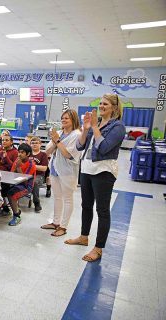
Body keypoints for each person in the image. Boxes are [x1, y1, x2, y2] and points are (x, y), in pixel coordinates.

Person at [65, 94, 126, 262]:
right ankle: (84, 237)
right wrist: (86, 129)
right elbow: (80, 145)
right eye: (100, 103)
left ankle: (98, 248)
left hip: (104, 171)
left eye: (105, 104)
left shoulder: (118, 126)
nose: (101, 106)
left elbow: (104, 147)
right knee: (86, 206)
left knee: (102, 210)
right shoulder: (95, 123)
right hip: (87, 168)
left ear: (114, 107)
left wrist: (95, 127)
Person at [41, 110, 81, 236]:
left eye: (67, 118)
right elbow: (47, 152)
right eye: (62, 118)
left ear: (73, 120)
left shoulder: (77, 135)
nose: (63, 120)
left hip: (67, 171)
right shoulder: (58, 133)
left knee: (67, 199)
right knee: (57, 197)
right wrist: (55, 141)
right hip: (54, 169)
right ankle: (55, 222)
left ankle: (63, 227)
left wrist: (57, 141)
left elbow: (68, 154)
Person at [5, 143, 36, 226]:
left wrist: (18, 167)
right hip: (16, 183)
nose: (19, 154)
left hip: (26, 186)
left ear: (28, 154)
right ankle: (6, 210)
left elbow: (25, 181)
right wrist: (16, 167)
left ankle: (17, 216)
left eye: (22, 152)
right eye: (19, 152)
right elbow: (12, 174)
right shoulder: (17, 161)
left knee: (12, 194)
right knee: (2, 189)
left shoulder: (31, 165)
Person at [30, 136, 49, 213]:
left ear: (40, 144)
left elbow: (44, 168)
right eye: (33, 143)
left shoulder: (43, 155)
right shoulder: (28, 154)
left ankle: (37, 203)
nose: (34, 145)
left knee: (34, 182)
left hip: (39, 176)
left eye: (36, 143)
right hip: (27, 174)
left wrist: (32, 166)